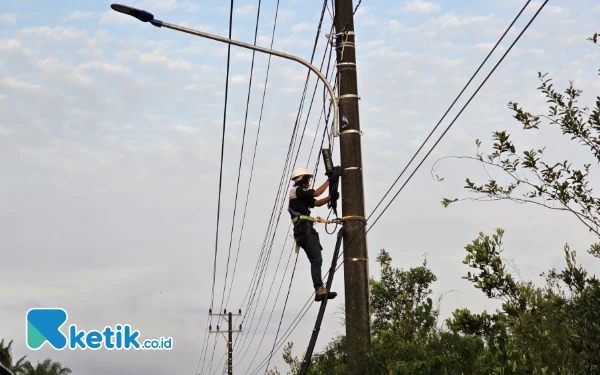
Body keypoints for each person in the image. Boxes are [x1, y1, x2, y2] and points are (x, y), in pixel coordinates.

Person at [288, 167, 339, 301]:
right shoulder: (297, 190)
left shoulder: (301, 196)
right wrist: (330, 180)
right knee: (316, 260)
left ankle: (319, 289)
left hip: (303, 231)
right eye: (308, 180)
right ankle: (319, 289)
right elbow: (316, 193)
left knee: (316, 260)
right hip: (304, 230)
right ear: (302, 179)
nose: (309, 183)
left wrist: (330, 197)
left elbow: (316, 203)